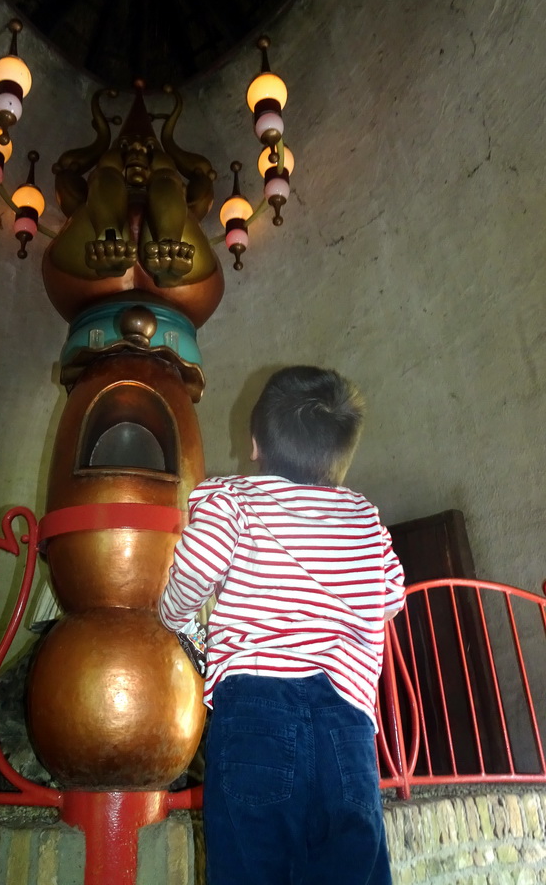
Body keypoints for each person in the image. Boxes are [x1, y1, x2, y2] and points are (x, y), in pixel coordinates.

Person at [159, 366, 405, 885]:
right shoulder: (365, 515)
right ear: (341, 458)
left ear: (255, 445)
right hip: (349, 728)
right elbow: (390, 599)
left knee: (253, 864)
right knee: (350, 868)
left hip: (255, 713)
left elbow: (197, 567)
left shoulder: (232, 499)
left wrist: (173, 616)